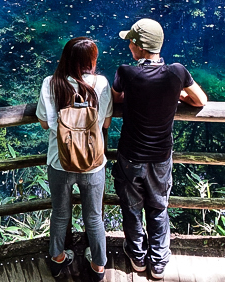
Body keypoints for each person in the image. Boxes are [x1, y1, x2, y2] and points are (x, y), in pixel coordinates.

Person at [111, 19, 207, 280]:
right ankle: (159, 262)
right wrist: (177, 95)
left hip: (131, 155)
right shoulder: (176, 72)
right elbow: (200, 100)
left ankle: (137, 258)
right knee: (158, 207)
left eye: (131, 41)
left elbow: (115, 98)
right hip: (161, 156)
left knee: (131, 208)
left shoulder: (126, 72)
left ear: (139, 47)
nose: (129, 45)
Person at [36, 37, 113, 281]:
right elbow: (107, 122)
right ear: (91, 60)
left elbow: (45, 122)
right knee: (94, 216)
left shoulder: (51, 83)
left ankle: (57, 258)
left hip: (60, 161)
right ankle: (99, 265)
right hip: (93, 164)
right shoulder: (100, 83)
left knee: (60, 212)